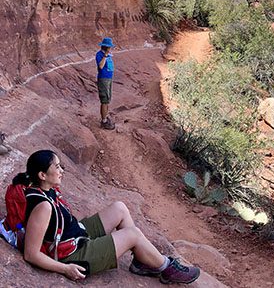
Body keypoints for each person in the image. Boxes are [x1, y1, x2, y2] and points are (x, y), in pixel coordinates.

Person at [14, 150, 200, 283]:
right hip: (73, 256)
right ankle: (166, 268)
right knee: (132, 234)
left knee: (119, 208)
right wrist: (66, 269)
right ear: (42, 175)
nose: (62, 169)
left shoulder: (45, 188)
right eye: (57, 167)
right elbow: (31, 254)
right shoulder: (43, 206)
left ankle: (142, 262)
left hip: (76, 235)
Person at [96, 37, 115, 130]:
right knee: (104, 100)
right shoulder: (99, 55)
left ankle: (106, 116)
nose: (110, 48)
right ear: (105, 47)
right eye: (109, 47)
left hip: (109, 79)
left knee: (108, 99)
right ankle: (103, 121)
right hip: (103, 79)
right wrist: (105, 55)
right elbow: (100, 66)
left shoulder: (109, 55)